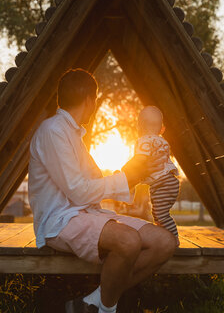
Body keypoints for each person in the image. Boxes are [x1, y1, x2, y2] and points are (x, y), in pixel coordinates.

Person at [28, 69, 176, 313]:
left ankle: (92, 303)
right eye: (95, 100)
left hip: (86, 213)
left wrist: (135, 172)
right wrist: (126, 176)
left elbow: (97, 180)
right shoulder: (53, 131)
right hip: (59, 220)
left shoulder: (74, 136)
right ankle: (107, 310)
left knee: (164, 242)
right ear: (89, 100)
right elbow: (78, 191)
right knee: (129, 241)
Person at [131, 105, 180, 247]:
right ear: (162, 129)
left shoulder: (143, 141)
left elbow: (140, 161)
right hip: (171, 181)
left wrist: (132, 175)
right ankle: (162, 234)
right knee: (159, 212)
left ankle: (174, 239)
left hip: (161, 184)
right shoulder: (163, 142)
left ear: (139, 127)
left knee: (161, 214)